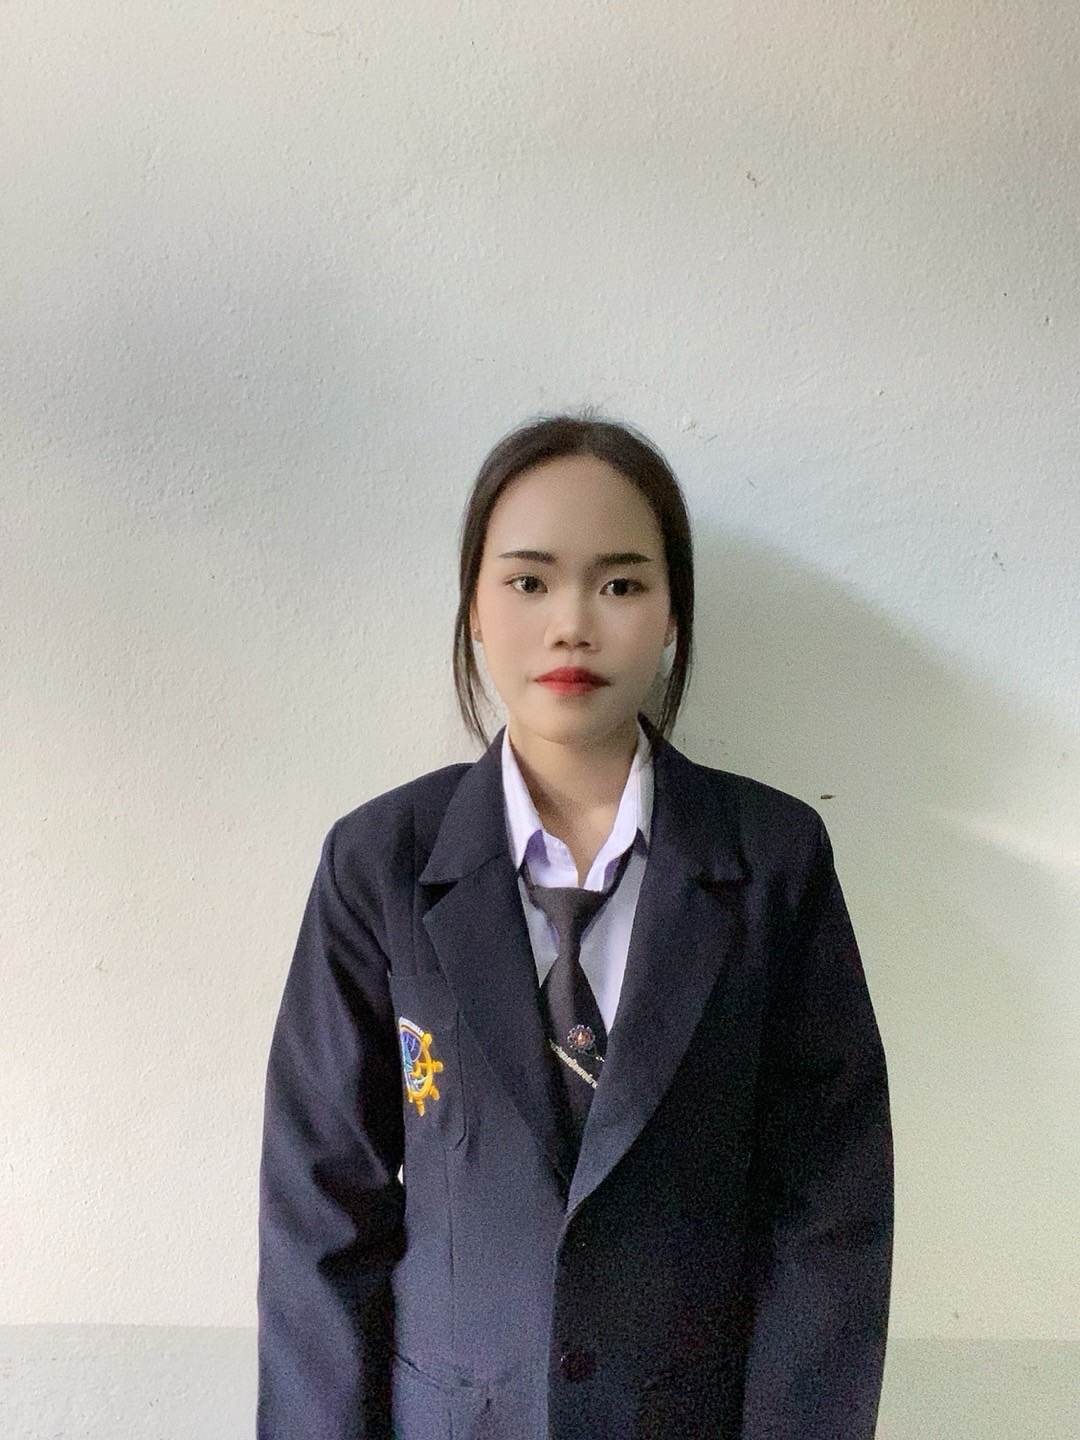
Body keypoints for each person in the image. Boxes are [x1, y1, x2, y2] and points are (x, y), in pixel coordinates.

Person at [257, 415, 893, 1440]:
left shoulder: (775, 862)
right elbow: (321, 1212)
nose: (572, 625)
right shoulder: (378, 863)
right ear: (474, 608)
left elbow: (828, 1209)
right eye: (528, 581)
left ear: (675, 614)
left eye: (622, 584)